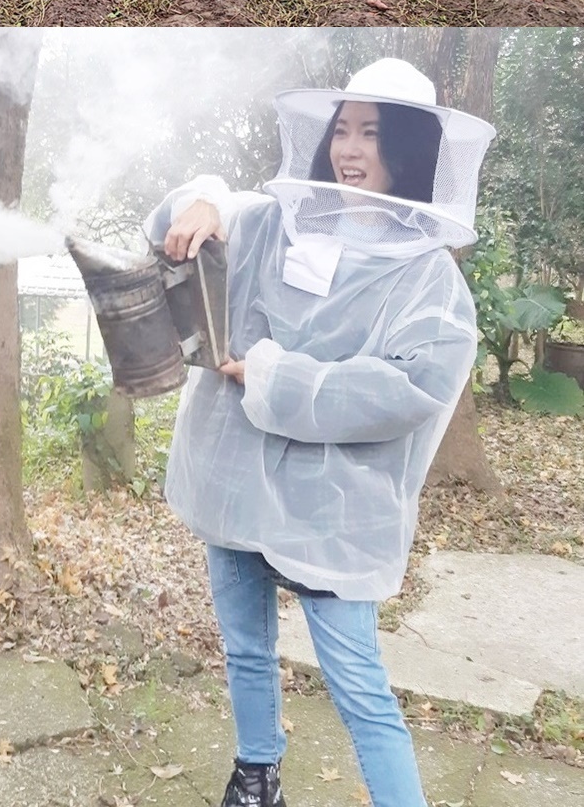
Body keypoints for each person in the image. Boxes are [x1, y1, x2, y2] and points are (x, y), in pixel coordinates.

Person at [146, 58, 491, 807]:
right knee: (244, 648)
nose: (349, 148)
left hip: (334, 508)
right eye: (342, 129)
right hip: (234, 478)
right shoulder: (277, 219)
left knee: (359, 685)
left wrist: (274, 376)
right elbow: (199, 219)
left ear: (405, 149)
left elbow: (414, 385)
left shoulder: (425, 275)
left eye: (370, 132)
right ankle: (255, 773)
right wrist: (201, 197)